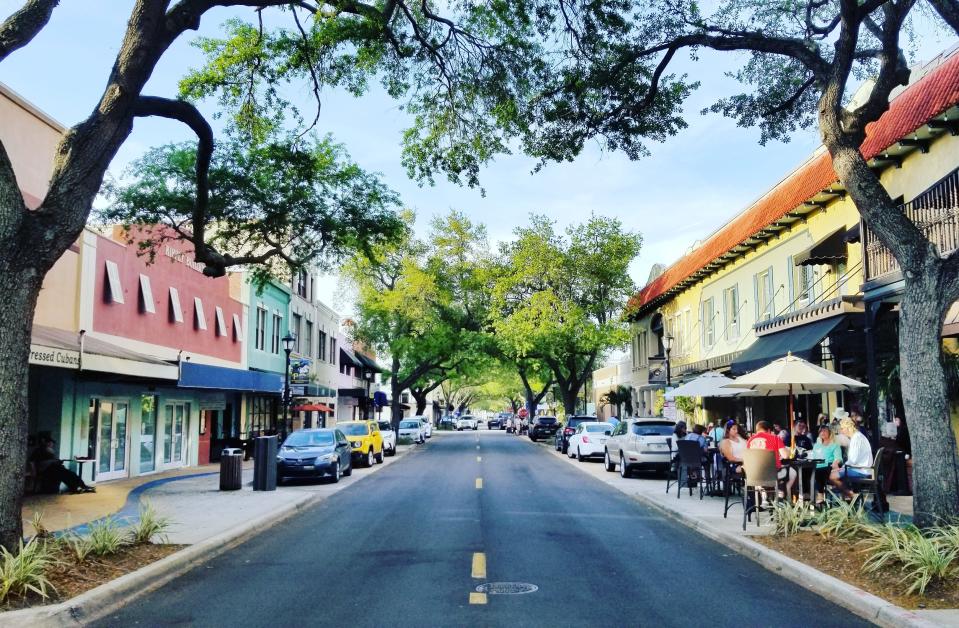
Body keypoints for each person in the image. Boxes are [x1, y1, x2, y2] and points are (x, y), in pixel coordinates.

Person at [746, 420, 797, 498]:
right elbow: (785, 455)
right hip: (772, 474)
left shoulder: (750, 440)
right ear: (769, 430)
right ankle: (782, 495)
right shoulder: (775, 438)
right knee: (793, 472)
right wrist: (788, 451)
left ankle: (764, 496)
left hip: (754, 475)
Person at [30, 436, 95, 494]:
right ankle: (78, 487)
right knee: (65, 473)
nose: (51, 444)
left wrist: (58, 461)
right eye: (49, 443)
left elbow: (54, 461)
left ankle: (81, 486)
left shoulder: (50, 451)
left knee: (70, 474)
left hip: (54, 468)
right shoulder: (38, 450)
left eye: (51, 443)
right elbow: (31, 461)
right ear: (46, 443)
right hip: (46, 470)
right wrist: (34, 471)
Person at [830, 417, 874, 499]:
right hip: (862, 468)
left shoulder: (856, 438)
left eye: (843, 429)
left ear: (848, 428)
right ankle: (849, 497)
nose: (842, 431)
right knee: (837, 475)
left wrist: (841, 468)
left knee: (832, 476)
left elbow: (853, 460)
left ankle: (852, 496)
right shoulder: (858, 436)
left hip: (861, 470)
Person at [811, 424, 842, 504]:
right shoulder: (816, 446)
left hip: (830, 466)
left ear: (830, 433)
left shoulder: (835, 445)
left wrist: (836, 462)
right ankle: (806, 498)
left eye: (825, 431)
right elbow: (813, 458)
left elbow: (839, 458)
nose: (822, 432)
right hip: (817, 466)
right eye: (821, 431)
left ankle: (820, 494)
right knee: (807, 472)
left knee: (819, 471)